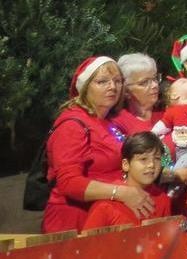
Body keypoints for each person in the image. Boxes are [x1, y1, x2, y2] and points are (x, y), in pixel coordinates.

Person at [44, 57, 155, 232]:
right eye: (102, 81)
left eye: (117, 81)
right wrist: (122, 193)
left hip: (106, 218)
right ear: (86, 86)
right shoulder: (72, 125)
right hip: (74, 222)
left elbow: (149, 141)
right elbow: (69, 183)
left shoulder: (110, 119)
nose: (112, 87)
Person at [81, 131, 172, 230]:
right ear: (126, 164)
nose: (151, 165)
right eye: (143, 159)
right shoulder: (106, 205)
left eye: (157, 159)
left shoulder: (163, 199)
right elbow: (87, 243)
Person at [111, 53, 164, 136]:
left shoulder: (167, 112)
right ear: (126, 91)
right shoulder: (118, 123)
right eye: (144, 82)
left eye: (154, 78)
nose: (155, 85)